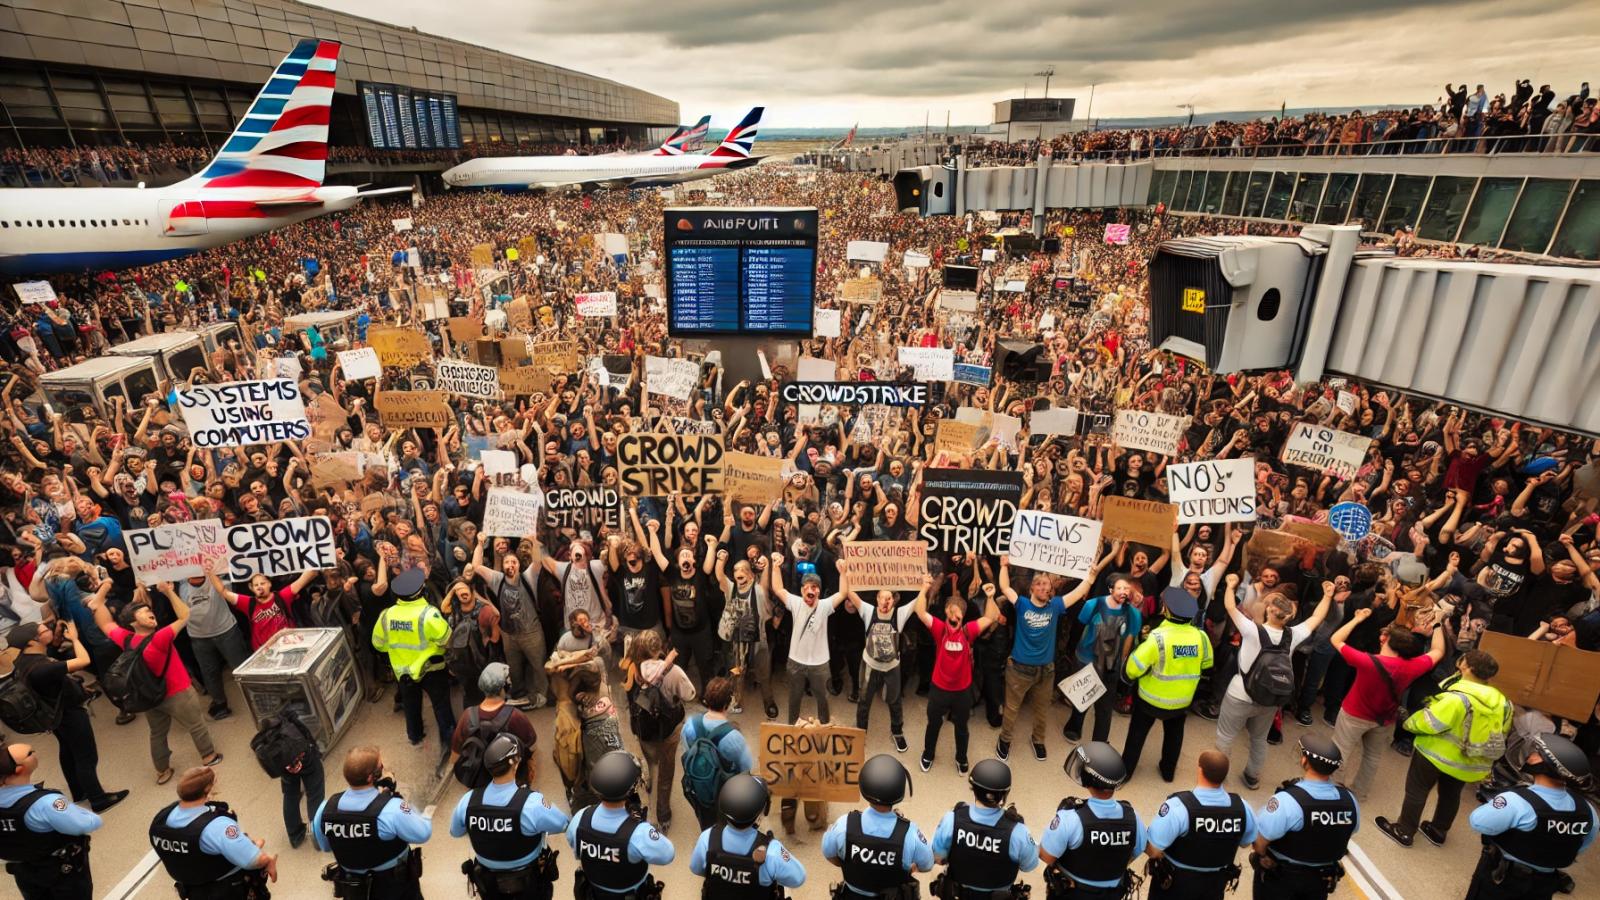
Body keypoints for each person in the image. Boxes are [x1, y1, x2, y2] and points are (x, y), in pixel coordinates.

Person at [1376, 648, 1512, 849]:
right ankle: (1438, 831)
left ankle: (1404, 831)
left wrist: (1407, 720)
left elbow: (1429, 723)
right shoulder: (1504, 703)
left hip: (1434, 755)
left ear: (1466, 667)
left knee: (1417, 790)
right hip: (1469, 761)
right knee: (1451, 794)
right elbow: (1504, 731)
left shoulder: (1458, 699)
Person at [89, 581, 223, 783]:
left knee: (157, 733)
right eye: (143, 612)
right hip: (178, 692)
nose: (149, 612)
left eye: (148, 610)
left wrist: (102, 594)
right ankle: (209, 756)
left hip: (149, 695)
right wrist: (169, 591)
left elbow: (106, 623)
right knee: (196, 724)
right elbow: (186, 615)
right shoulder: (159, 638)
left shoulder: (126, 639)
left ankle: (162, 770)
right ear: (133, 622)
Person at [1214, 576, 1333, 790]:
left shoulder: (1252, 630)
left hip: (1240, 694)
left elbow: (1230, 606)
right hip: (1270, 698)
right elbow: (1317, 617)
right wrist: (1327, 596)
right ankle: (1252, 776)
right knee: (1259, 739)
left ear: (1268, 610)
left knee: (1226, 735)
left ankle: (1217, 776)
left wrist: (1231, 586)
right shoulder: (1293, 635)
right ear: (1289, 616)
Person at [4, 620, 127, 811]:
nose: (49, 630)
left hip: (53, 715)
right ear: (32, 641)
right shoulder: (41, 668)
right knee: (86, 756)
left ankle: (78, 791)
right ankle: (98, 799)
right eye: (44, 630)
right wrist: (76, 639)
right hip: (69, 714)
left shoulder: (23, 660)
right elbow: (83, 661)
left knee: (68, 750)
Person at [1327, 606, 1446, 797]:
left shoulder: (1366, 661)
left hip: (1354, 715)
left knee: (1340, 750)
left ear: (1386, 641)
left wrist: (1357, 619)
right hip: (1384, 719)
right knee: (1372, 757)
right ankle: (1359, 793)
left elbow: (1336, 639)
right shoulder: (1414, 666)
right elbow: (1438, 650)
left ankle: (1332, 791)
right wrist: (1438, 624)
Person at [1465, 732, 1597, 900]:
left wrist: (1496, 800)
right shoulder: (1587, 810)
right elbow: (1583, 843)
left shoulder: (1516, 801)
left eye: (1536, 753)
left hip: (1502, 879)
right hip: (1545, 884)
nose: (1531, 756)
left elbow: (1478, 822)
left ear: (1544, 763)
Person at [995, 553, 1094, 762]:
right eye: (1038, 584)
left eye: (1046, 585)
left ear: (1050, 589)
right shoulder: (1022, 604)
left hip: (1045, 671)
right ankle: (1005, 740)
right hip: (1019, 669)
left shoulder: (1055, 606)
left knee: (1041, 711)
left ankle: (1038, 740)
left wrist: (1090, 577)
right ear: (1031, 589)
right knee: (1011, 710)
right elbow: (1005, 587)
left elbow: (1078, 593)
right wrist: (1004, 565)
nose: (1043, 587)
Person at [451, 733, 569, 900]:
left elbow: (455, 831)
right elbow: (562, 824)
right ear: (516, 763)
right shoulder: (531, 803)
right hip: (528, 886)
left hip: (488, 886)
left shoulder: (468, 800)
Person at [313, 746, 433, 900]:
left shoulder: (325, 809)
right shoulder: (392, 808)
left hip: (355, 889)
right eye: (381, 767)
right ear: (371, 777)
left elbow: (325, 846)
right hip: (395, 887)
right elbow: (423, 833)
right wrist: (406, 805)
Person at [1121, 587, 1212, 782]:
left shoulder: (1157, 638)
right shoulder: (1201, 637)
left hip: (1150, 699)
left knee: (1137, 734)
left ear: (1167, 611)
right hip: (1182, 701)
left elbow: (1133, 668)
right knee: (1174, 735)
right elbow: (1207, 664)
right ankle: (1168, 772)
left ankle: (1126, 772)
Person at [1250, 735, 1358, 900]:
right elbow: (1346, 832)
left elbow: (1259, 842)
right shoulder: (1350, 800)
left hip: (1281, 880)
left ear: (1304, 761)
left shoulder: (1288, 801)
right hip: (1320, 880)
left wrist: (1263, 857)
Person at [149, 765, 276, 900]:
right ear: (208, 789)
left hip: (193, 890)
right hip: (228, 890)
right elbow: (253, 860)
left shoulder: (161, 819)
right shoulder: (217, 826)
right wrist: (267, 859)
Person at [914, 577, 999, 775]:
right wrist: (923, 589)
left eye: (957, 612)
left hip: (962, 691)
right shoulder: (940, 629)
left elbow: (990, 617)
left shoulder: (969, 631)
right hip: (939, 689)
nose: (953, 615)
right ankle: (928, 754)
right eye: (950, 611)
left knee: (961, 727)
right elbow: (920, 611)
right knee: (934, 724)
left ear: (962, 616)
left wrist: (991, 597)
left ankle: (961, 758)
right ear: (945, 613)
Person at [1144, 750, 1255, 900]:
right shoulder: (1242, 808)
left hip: (1176, 886)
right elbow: (1247, 842)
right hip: (1214, 886)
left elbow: (1154, 849)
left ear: (1199, 770)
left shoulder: (1179, 807)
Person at [1040, 741, 1145, 899]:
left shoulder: (1071, 818)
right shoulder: (1133, 817)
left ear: (1089, 779)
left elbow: (1046, 856)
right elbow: (1136, 851)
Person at [566, 750, 676, 899]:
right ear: (633, 789)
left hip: (593, 894)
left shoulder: (580, 818)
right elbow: (668, 854)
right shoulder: (639, 833)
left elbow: (573, 844)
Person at [0, 739, 101, 900]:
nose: (34, 752)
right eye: (30, 753)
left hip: (24, 873)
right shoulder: (45, 803)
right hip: (62, 875)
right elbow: (87, 823)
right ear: (19, 769)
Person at [821, 754, 932, 899]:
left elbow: (829, 853)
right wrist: (908, 870)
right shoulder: (910, 835)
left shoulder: (844, 825)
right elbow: (927, 864)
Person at [372, 568, 455, 757]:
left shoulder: (387, 615)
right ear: (420, 591)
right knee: (441, 706)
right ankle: (449, 744)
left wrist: (397, 652)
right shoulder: (429, 614)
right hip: (432, 670)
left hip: (403, 672)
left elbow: (378, 644)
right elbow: (447, 640)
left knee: (411, 705)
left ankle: (415, 736)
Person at [930, 758, 1039, 899]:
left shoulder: (952, 820)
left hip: (959, 894)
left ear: (973, 788)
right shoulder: (1018, 832)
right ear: (1004, 795)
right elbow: (1029, 866)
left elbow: (939, 859)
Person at [621, 628, 693, 833]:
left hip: (643, 728)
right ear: (660, 648)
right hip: (668, 730)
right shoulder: (672, 671)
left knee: (650, 757)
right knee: (666, 771)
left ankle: (649, 777)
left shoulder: (631, 668)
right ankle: (663, 814)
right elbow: (689, 694)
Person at [689, 773, 807, 897]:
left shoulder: (707, 839)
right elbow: (798, 878)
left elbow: (695, 868)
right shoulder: (771, 851)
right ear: (760, 813)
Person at [471, 534, 549, 709]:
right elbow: (476, 566)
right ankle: (519, 694)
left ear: (519, 565)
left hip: (531, 633)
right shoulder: (497, 580)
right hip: (509, 634)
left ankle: (542, 695)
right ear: (503, 565)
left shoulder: (528, 578)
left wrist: (534, 540)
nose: (510, 565)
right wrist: (480, 543)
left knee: (538, 666)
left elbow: (537, 562)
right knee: (514, 668)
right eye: (507, 562)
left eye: (514, 562)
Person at [769, 551, 847, 725]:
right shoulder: (795, 603)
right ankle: (792, 727)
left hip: (820, 664)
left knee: (823, 698)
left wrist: (843, 573)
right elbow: (778, 589)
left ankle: (824, 727)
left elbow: (842, 593)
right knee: (794, 698)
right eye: (807, 587)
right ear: (802, 590)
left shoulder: (825, 605)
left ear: (819, 590)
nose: (810, 590)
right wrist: (775, 567)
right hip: (796, 662)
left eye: (814, 587)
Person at [844, 580, 918, 751]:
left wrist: (927, 586)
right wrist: (845, 574)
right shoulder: (868, 611)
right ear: (876, 599)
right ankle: (861, 732)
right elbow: (849, 592)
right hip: (870, 664)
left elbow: (919, 601)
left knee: (895, 701)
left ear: (894, 600)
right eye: (882, 598)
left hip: (891, 667)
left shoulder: (899, 615)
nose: (885, 602)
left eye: (889, 598)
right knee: (864, 701)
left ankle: (897, 732)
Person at [680, 676, 754, 829]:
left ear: (706, 700)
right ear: (728, 704)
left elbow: (687, 752)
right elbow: (746, 769)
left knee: (706, 823)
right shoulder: (734, 737)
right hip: (724, 793)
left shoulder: (690, 725)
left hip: (699, 786)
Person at [450, 662, 539, 787]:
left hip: (479, 781)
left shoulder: (468, 715)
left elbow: (455, 755)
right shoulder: (515, 716)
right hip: (510, 780)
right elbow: (532, 747)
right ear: (505, 686)